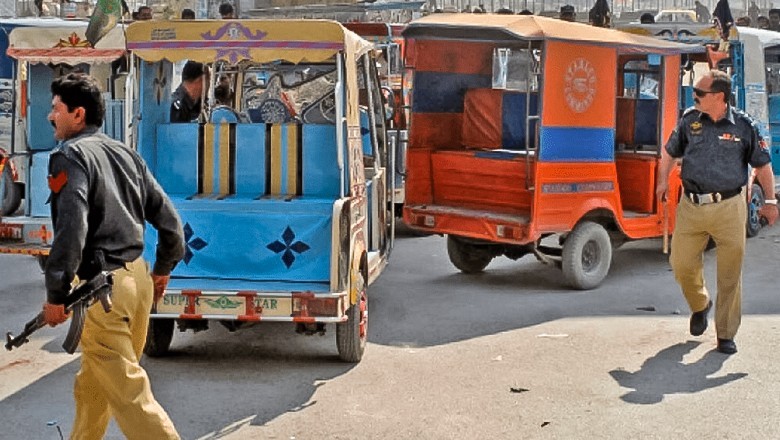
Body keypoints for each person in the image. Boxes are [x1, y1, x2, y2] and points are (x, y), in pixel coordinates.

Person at [41, 72, 184, 439]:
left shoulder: (68, 157)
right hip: (136, 280)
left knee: (130, 395)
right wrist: (163, 270)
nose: (49, 116)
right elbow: (170, 223)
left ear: (78, 114)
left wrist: (56, 293)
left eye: (55, 109)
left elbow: (72, 229)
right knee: (95, 384)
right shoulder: (126, 154)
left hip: (102, 290)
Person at [656, 70, 778, 355]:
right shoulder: (689, 120)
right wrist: (663, 180)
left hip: (730, 206)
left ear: (719, 97)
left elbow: (762, 165)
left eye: (700, 93)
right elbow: (669, 153)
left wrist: (770, 201)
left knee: (729, 274)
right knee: (681, 263)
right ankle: (700, 304)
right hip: (692, 205)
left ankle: (725, 334)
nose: (694, 97)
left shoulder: (744, 126)